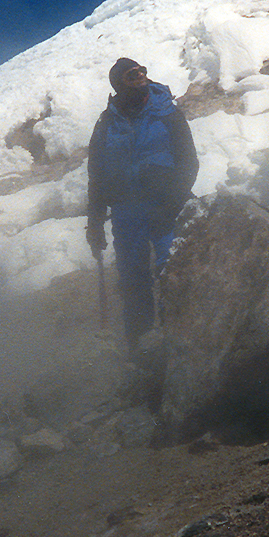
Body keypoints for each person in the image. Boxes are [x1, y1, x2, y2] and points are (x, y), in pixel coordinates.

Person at [86, 57, 198, 352]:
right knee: (133, 281)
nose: (140, 76)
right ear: (118, 84)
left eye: (142, 71)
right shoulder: (106, 124)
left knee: (171, 271)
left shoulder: (168, 114)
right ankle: (141, 351)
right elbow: (97, 177)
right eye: (131, 74)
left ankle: (179, 345)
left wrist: (172, 204)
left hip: (166, 206)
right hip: (125, 211)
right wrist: (95, 224)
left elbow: (189, 163)